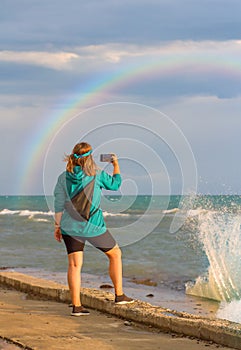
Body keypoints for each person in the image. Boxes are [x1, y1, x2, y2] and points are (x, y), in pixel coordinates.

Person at [54, 142, 134, 316]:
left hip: (70, 227)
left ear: (73, 158)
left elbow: (58, 204)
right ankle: (119, 295)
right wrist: (116, 164)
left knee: (74, 265)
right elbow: (115, 185)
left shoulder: (63, 177)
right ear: (89, 157)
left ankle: (76, 307)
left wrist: (57, 226)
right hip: (93, 226)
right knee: (115, 254)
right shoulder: (96, 174)